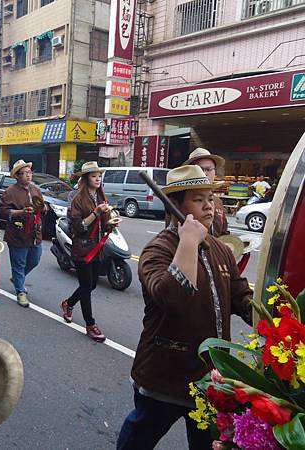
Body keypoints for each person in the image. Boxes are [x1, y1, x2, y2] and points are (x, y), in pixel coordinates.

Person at [116, 165, 253, 450]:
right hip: (164, 376)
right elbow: (173, 299)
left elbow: (240, 297)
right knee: (140, 437)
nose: (209, 207)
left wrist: (275, 321)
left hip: (210, 378)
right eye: (198, 200)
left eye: (210, 199)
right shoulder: (158, 250)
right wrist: (188, 241)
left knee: (206, 443)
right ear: (175, 205)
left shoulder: (221, 249)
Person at [60, 162, 110, 342]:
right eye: (93, 176)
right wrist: (96, 213)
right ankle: (90, 325)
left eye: (99, 176)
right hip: (82, 248)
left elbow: (104, 222)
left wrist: (110, 221)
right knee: (87, 287)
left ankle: (68, 303)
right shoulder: (77, 199)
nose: (97, 179)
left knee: (91, 285)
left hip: (97, 248)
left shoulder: (101, 195)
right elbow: (79, 227)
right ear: (86, 178)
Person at [0, 160, 46, 307]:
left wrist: (42, 209)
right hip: (18, 233)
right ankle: (20, 291)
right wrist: (21, 212)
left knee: (35, 259)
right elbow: (3, 211)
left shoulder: (35, 189)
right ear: (17, 176)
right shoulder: (10, 192)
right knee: (18, 264)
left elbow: (43, 206)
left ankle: (18, 278)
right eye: (24, 173)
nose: (28, 176)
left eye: (29, 173)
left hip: (34, 233)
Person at [180, 147, 229, 237]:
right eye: (200, 169)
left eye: (209, 169)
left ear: (215, 172)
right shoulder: (182, 200)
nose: (205, 173)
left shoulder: (218, 202)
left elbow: (224, 233)